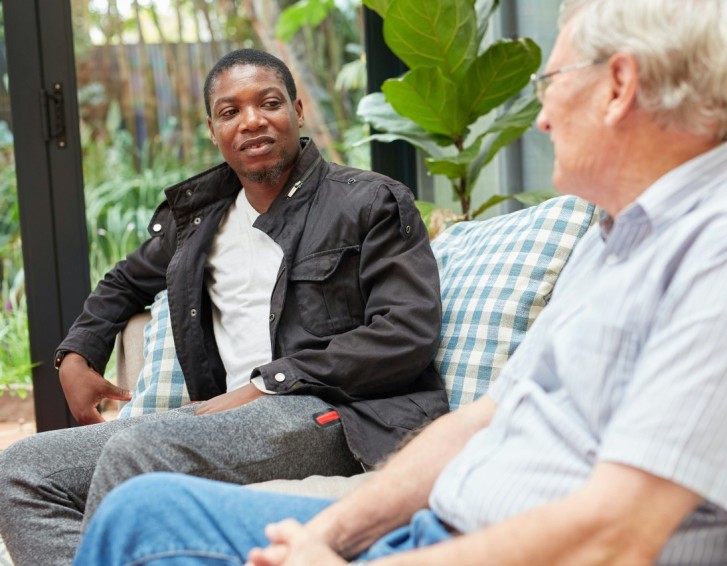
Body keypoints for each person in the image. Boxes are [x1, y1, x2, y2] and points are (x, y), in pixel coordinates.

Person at [75, 0, 727, 564]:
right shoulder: (616, 239)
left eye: (551, 81)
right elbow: (486, 416)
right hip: (436, 534)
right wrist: (330, 536)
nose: (541, 116)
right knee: (144, 511)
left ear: (617, 87)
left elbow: (617, 532)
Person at [0, 48, 449, 566]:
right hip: (216, 422)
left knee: (144, 449)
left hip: (340, 414)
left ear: (298, 111)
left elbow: (406, 332)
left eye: (269, 103)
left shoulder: (370, 202)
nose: (252, 120)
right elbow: (123, 281)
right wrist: (77, 353)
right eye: (230, 111)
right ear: (212, 130)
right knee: (22, 469)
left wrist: (266, 385)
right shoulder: (199, 223)